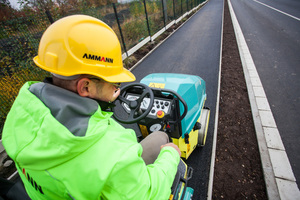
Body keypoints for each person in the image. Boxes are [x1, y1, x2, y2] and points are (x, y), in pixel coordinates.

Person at [2, 15, 181, 200]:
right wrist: (171, 155)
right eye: (114, 81)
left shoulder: (20, 111)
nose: (117, 88)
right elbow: (149, 195)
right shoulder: (114, 152)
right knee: (161, 137)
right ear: (85, 87)